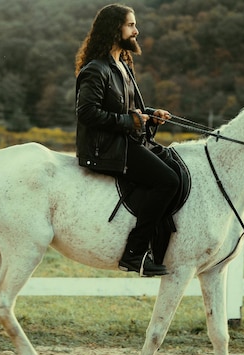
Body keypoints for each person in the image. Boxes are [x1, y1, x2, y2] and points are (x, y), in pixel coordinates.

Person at [75, 4, 179, 276]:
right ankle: (134, 255)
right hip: (108, 149)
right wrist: (128, 121)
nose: (136, 30)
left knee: (176, 165)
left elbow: (127, 109)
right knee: (167, 180)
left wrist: (149, 115)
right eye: (131, 25)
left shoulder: (123, 65)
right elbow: (86, 112)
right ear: (114, 29)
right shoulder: (96, 69)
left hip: (129, 142)